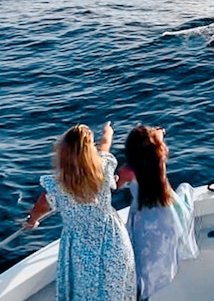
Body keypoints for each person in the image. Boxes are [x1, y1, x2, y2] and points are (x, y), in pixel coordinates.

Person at [25, 122, 136, 301]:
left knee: (84, 292)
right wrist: (107, 131)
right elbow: (105, 145)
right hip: (112, 240)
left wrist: (32, 221)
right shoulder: (103, 168)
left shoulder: (58, 185)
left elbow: (41, 206)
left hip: (78, 247)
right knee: (114, 290)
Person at [116, 125, 198, 300]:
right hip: (167, 213)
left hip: (144, 218)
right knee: (159, 253)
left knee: (141, 261)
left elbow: (114, 186)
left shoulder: (128, 171)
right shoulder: (157, 158)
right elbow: (157, 138)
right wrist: (158, 133)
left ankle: (142, 294)